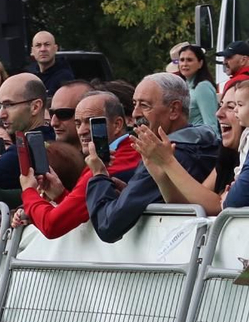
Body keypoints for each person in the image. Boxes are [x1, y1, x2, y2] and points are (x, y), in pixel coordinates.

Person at [86, 73, 221, 241]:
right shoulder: (212, 145)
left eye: (145, 105)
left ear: (174, 109)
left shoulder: (163, 155)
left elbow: (108, 224)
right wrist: (129, 191)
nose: (135, 113)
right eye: (134, 104)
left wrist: (98, 175)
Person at [17, 92, 138, 238]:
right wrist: (60, 195)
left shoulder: (110, 162)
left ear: (117, 124)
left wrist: (29, 191)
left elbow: (52, 225)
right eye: (78, 123)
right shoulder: (122, 152)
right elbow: (85, 211)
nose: (82, 131)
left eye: (91, 122)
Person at [176, 44, 220, 135]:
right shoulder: (186, 85)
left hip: (200, 144)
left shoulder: (202, 87)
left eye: (189, 60)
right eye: (182, 60)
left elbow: (211, 125)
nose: (184, 64)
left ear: (200, 63)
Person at [30, 31, 75, 97]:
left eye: (47, 44)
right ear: (32, 51)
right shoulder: (31, 77)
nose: (43, 49)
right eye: (38, 45)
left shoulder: (65, 78)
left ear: (55, 49)